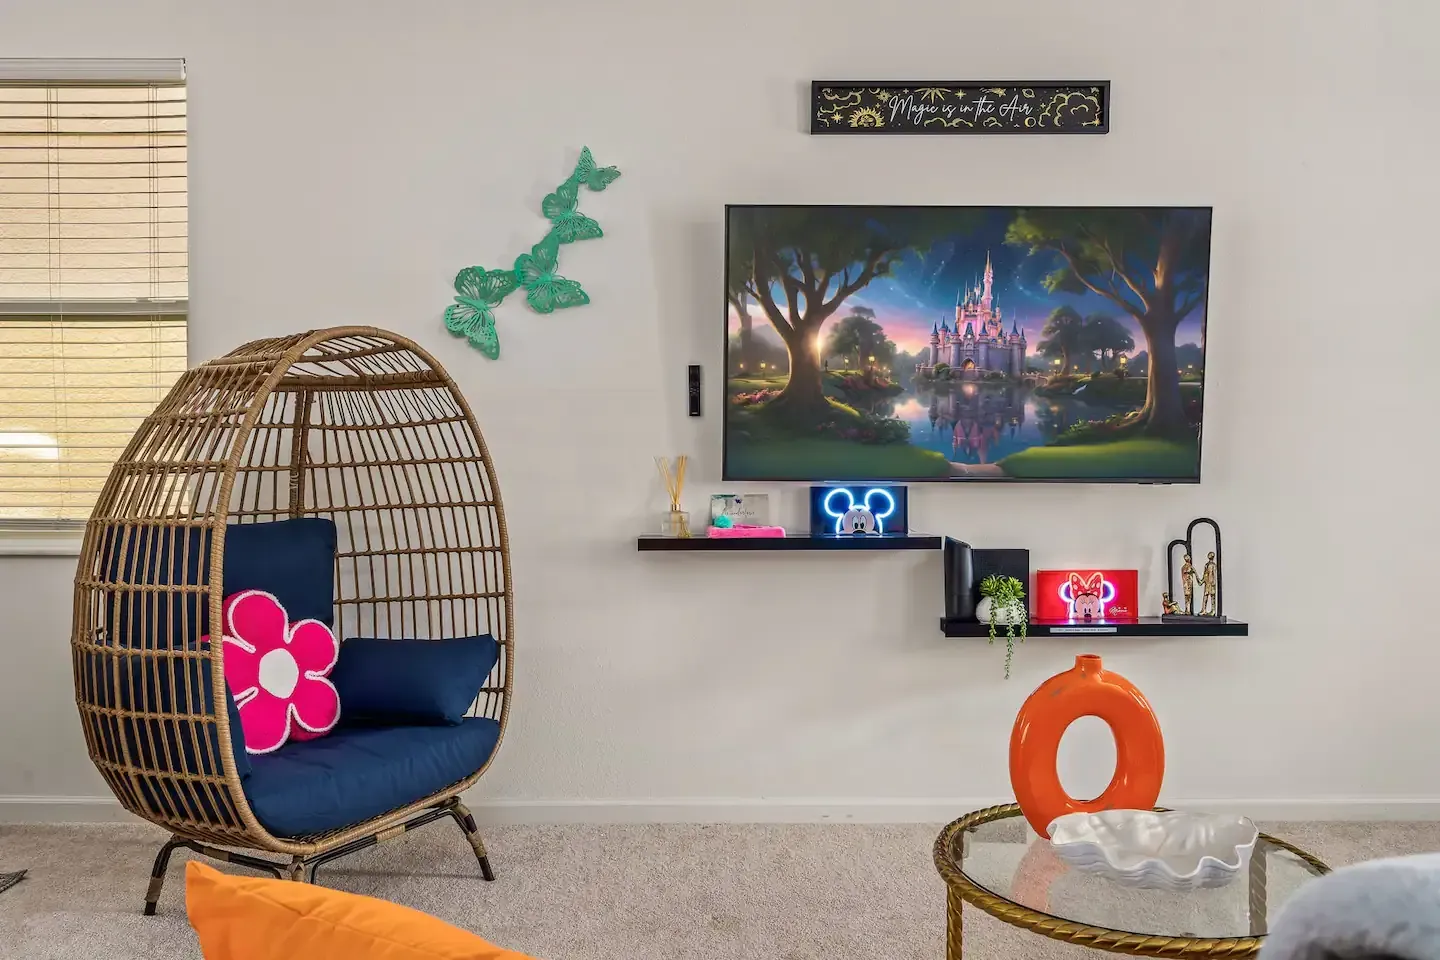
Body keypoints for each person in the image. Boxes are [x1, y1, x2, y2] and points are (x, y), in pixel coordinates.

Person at [1199, 551, 1218, 616]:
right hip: (1207, 583)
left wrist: (1214, 582)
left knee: (1212, 597)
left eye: (1210, 555)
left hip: (1211, 582)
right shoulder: (1206, 564)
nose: (1209, 556)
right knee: (1205, 596)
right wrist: (1202, 580)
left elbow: (1214, 573)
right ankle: (1203, 610)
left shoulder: (1213, 565)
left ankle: (1213, 610)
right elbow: (1205, 574)